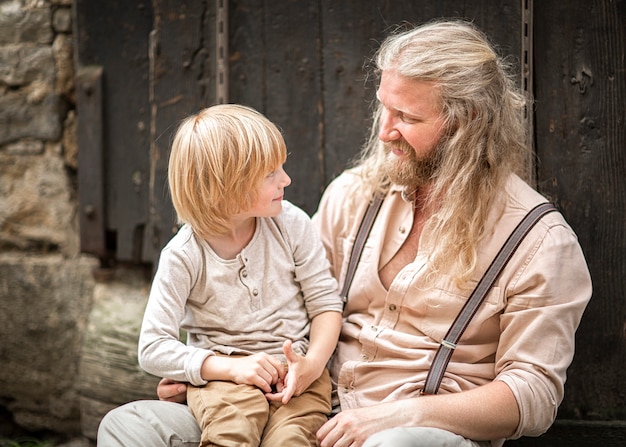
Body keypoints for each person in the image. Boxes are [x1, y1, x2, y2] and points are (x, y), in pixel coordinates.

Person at [97, 20, 592, 447]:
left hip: (416, 433)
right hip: (307, 413)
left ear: (470, 122)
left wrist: (400, 415)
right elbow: (295, 308)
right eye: (385, 108)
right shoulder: (354, 194)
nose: (384, 131)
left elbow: (532, 395)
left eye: (408, 117)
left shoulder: (538, 241)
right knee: (131, 427)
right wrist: (215, 374)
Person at [135, 104, 343, 446]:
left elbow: (325, 304)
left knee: (292, 440)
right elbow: (153, 348)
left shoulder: (291, 224)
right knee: (230, 435)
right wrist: (232, 369)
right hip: (226, 382)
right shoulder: (183, 256)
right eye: (270, 174)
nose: (285, 180)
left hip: (298, 379)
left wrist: (312, 364)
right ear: (223, 188)